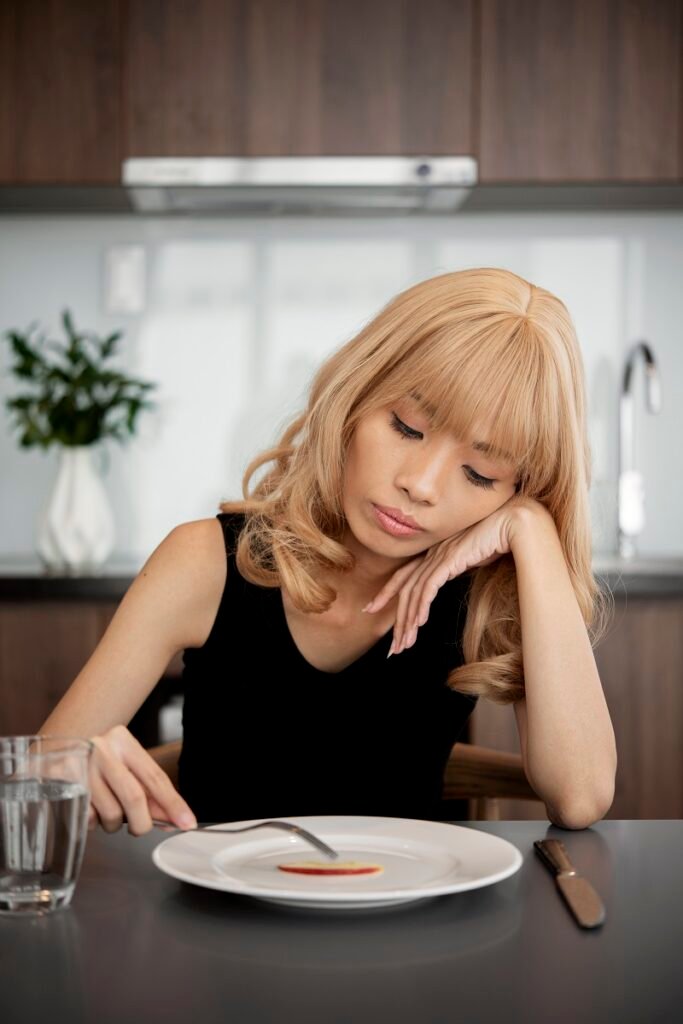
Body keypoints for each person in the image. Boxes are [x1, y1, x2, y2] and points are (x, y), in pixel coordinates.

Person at [39, 267, 617, 836]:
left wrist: (533, 530)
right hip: (213, 899)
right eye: (407, 427)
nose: (421, 485)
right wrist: (77, 765)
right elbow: (38, 781)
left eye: (480, 473)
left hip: (407, 901)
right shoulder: (204, 562)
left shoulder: (487, 596)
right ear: (354, 398)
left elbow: (581, 797)